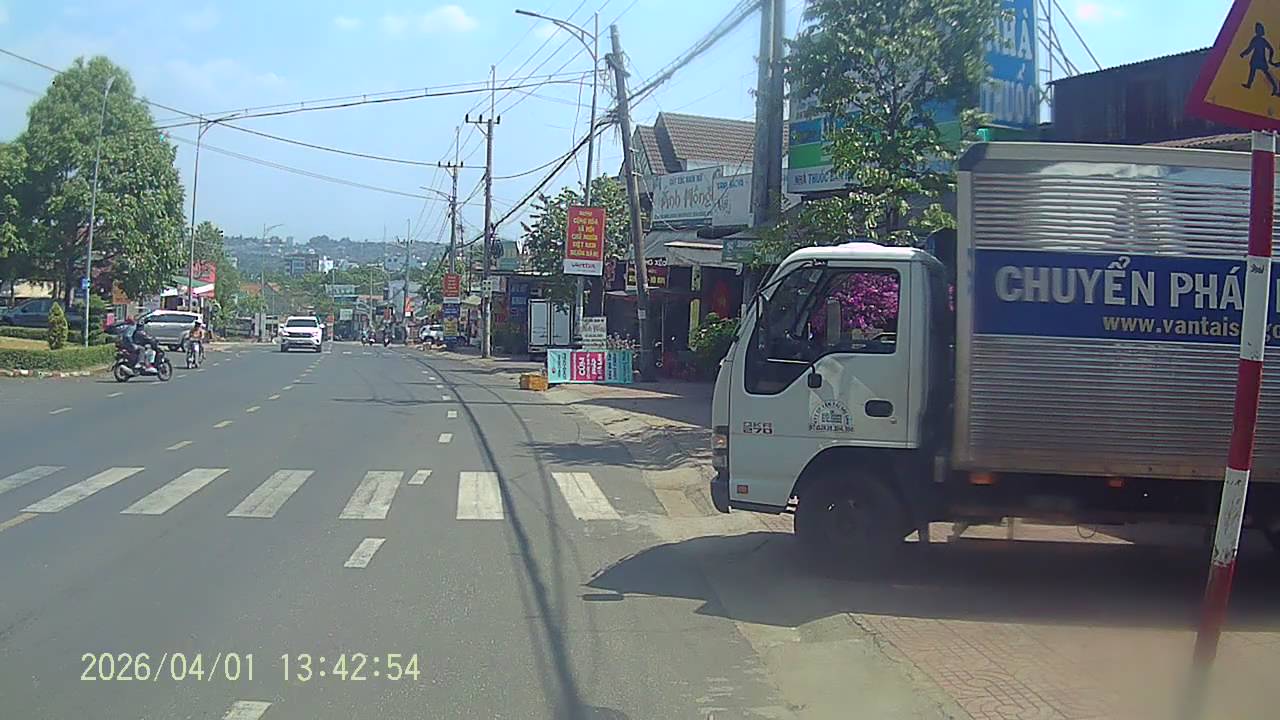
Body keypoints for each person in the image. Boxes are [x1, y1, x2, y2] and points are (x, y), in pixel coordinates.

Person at [1241, 22, 1280, 96]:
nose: (1258, 31)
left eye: (1259, 29)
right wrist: (1243, 54)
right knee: (1253, 71)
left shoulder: (1262, 40)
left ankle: (1275, 87)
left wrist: (1270, 59)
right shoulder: (1255, 39)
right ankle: (1249, 84)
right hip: (1256, 59)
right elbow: (1250, 48)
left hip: (1261, 60)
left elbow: (1271, 49)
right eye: (1257, 29)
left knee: (1266, 73)